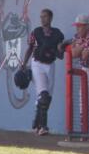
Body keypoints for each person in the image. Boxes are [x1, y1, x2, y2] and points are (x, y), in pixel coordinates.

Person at [22, 8, 65, 136]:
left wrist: (60, 47)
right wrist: (24, 63)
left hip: (50, 65)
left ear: (51, 18)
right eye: (41, 16)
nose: (42, 19)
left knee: (47, 98)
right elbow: (30, 48)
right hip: (37, 65)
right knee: (44, 95)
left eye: (45, 16)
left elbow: (60, 55)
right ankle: (43, 127)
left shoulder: (57, 34)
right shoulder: (36, 32)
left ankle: (36, 124)